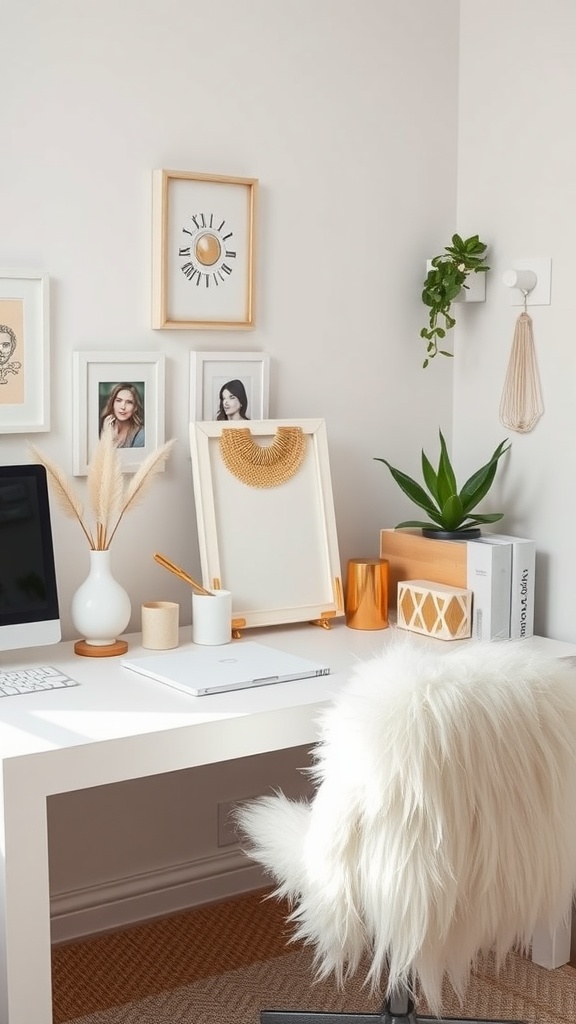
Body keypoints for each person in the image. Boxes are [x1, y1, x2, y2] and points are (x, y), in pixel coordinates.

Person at [99, 383, 145, 448]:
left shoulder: (141, 435)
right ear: (112, 404)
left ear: (135, 408)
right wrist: (107, 435)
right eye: (118, 400)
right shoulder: (102, 427)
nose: (123, 407)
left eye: (129, 402)